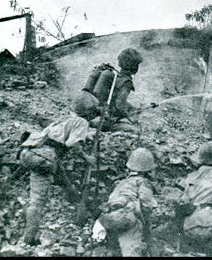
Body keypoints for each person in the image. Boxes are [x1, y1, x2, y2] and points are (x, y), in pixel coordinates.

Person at [19, 105, 97, 245]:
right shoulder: (82, 122)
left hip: (32, 153)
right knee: (37, 201)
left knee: (64, 182)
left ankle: (78, 207)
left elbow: (57, 137)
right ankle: (29, 238)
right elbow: (72, 143)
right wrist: (87, 157)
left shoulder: (65, 118)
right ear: (89, 112)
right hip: (46, 158)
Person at [96, 148, 158, 256]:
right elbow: (147, 206)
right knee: (132, 247)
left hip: (106, 220)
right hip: (126, 218)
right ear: (148, 170)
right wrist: (147, 233)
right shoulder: (143, 182)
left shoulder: (122, 183)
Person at [83, 48, 143, 132]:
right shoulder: (126, 82)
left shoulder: (113, 76)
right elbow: (119, 105)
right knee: (135, 130)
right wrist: (129, 116)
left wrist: (133, 108)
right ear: (135, 66)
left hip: (89, 112)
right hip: (104, 118)